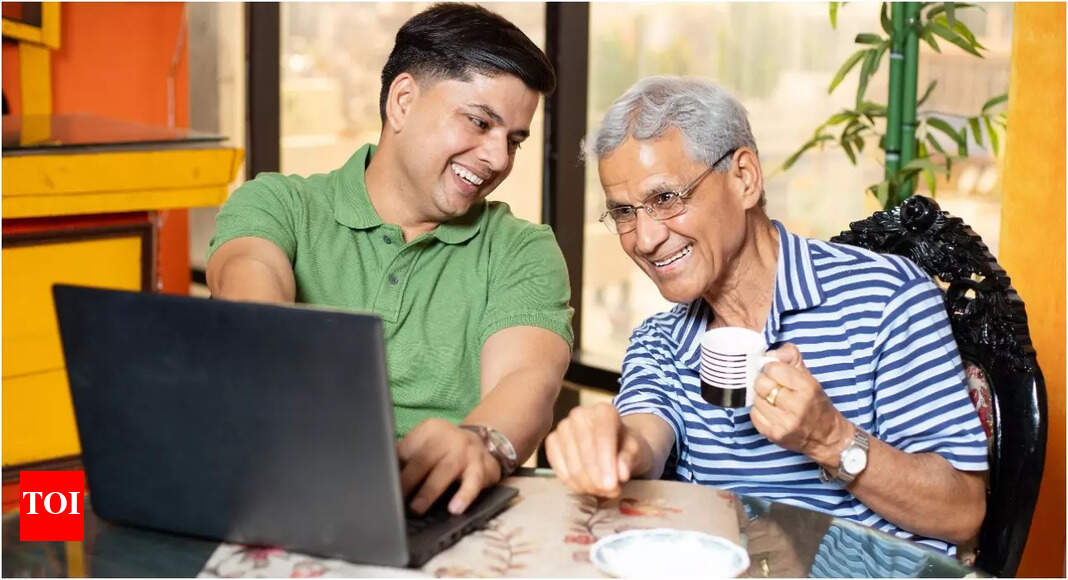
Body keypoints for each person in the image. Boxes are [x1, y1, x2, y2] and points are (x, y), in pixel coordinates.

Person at [545, 76, 988, 554]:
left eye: (665, 199)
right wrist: (610, 446)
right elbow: (643, 439)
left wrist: (830, 438)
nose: (645, 239)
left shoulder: (883, 297)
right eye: (624, 212)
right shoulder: (660, 342)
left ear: (744, 178)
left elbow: (961, 513)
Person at [207, 4, 572, 517]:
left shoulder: (522, 249)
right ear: (402, 101)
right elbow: (250, 275)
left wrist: (482, 443)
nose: (498, 159)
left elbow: (527, 379)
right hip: (277, 489)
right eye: (479, 122)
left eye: (513, 140)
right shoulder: (279, 204)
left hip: (441, 508)